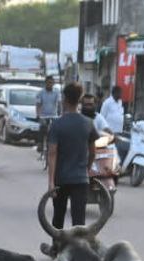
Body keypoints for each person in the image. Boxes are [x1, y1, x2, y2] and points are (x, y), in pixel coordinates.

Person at [45, 81, 97, 230]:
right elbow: (93, 153)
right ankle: (78, 251)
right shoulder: (88, 123)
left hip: (61, 179)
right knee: (79, 223)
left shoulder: (57, 124)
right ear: (79, 99)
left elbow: (52, 154)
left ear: (64, 99)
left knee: (58, 219)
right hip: (81, 179)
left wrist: (51, 182)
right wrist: (86, 170)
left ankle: (56, 250)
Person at [35, 75, 60, 157]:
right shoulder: (40, 93)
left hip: (54, 115)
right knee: (42, 127)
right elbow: (38, 105)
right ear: (45, 83)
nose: (50, 84)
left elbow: (59, 104)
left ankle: (56, 145)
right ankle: (40, 144)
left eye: (51, 83)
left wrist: (60, 114)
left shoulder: (57, 92)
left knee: (56, 130)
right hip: (43, 115)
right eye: (48, 83)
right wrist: (38, 115)